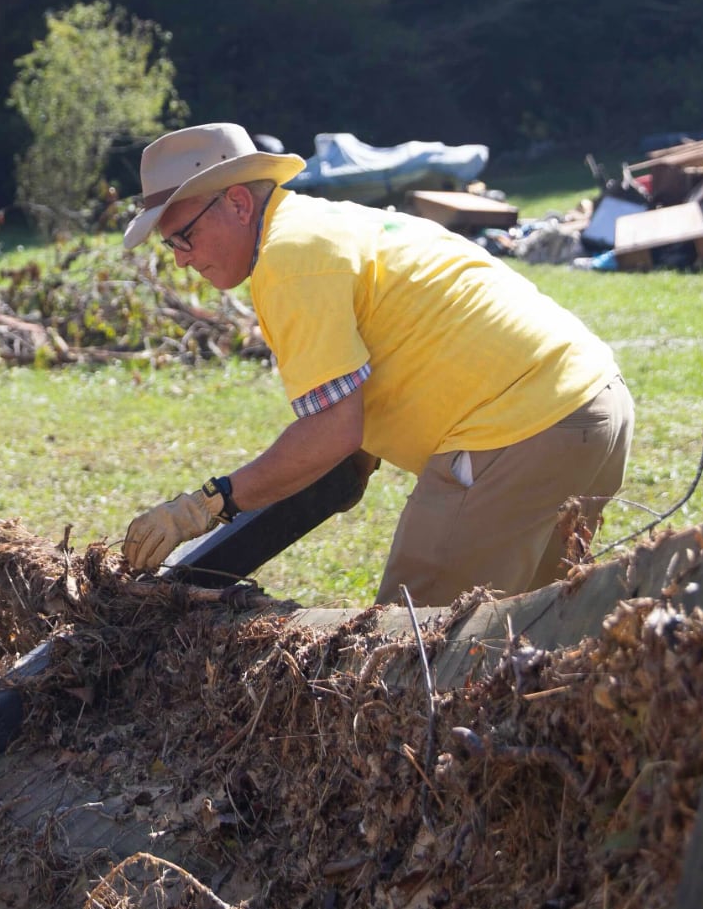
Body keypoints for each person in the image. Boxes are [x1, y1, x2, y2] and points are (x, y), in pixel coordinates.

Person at [120, 123, 632, 606]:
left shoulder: (289, 260)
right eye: (170, 246)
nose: (180, 258)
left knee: (417, 655)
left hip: (521, 427)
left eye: (183, 236)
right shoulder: (326, 223)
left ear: (235, 203)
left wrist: (206, 506)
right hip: (594, 404)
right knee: (534, 642)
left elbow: (333, 431)